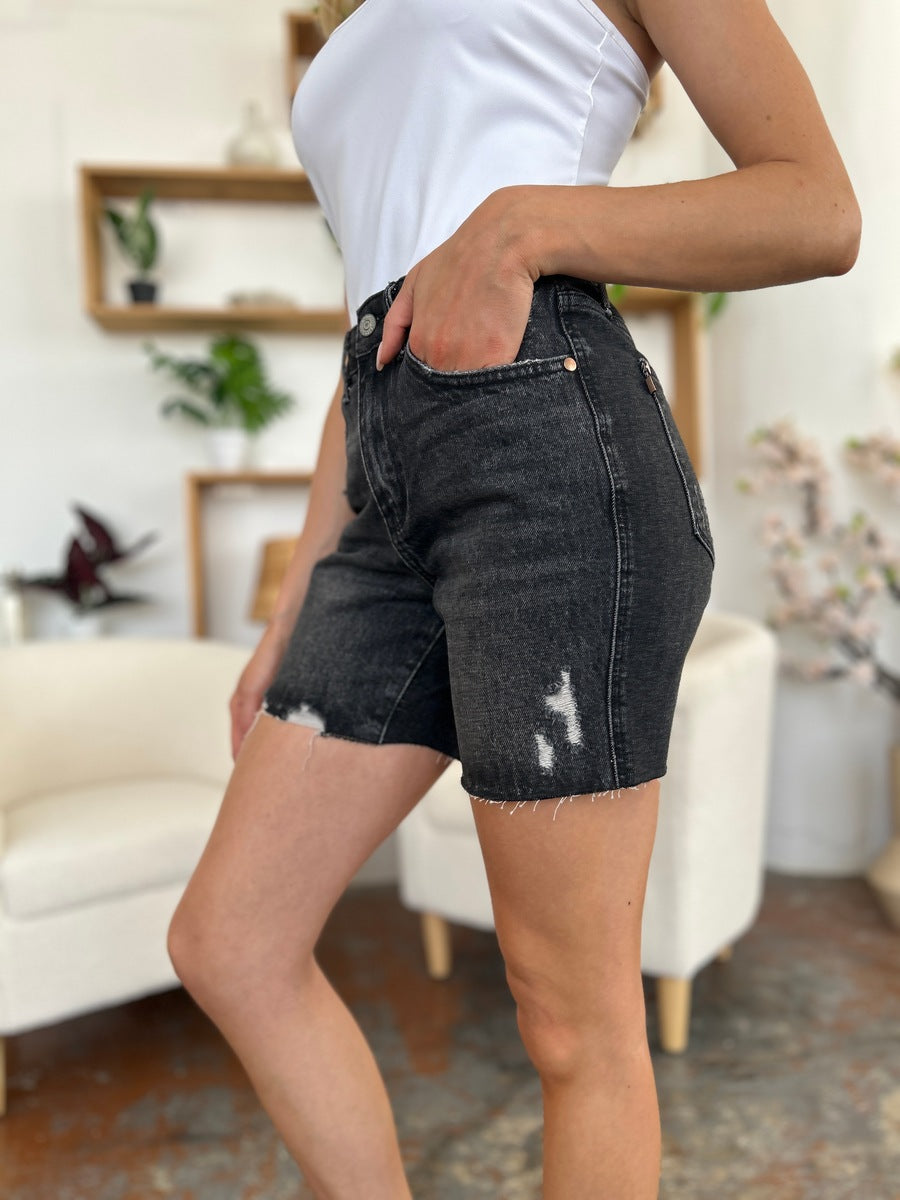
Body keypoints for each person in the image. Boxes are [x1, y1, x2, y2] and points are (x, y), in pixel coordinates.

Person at [167, 1, 860, 1195]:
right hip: (385, 472)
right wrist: (288, 610)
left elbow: (815, 206)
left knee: (570, 1019)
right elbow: (371, 318)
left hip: (543, 445)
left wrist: (524, 224)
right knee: (230, 941)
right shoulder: (350, 23)